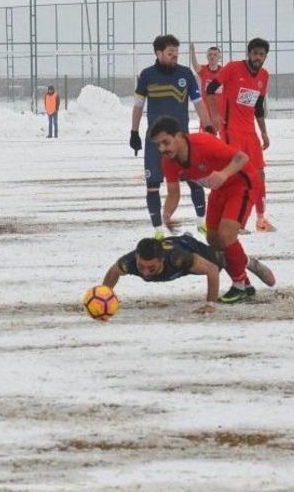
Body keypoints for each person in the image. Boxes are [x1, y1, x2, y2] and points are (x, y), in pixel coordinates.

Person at [148, 115, 275, 303]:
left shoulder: (204, 143)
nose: (162, 149)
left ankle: (239, 286)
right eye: (158, 145)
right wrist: (166, 214)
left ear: (180, 136)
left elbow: (242, 157)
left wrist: (223, 174)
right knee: (213, 240)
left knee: (226, 236)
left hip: (242, 183)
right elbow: (173, 192)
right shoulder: (168, 162)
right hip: (220, 189)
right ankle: (246, 270)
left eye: (165, 142)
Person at [129, 34, 215, 239]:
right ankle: (158, 231)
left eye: (176, 53)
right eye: (170, 54)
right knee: (152, 186)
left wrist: (209, 126)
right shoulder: (147, 76)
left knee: (194, 180)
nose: (175, 57)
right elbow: (138, 106)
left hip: (182, 142)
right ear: (159, 54)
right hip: (154, 143)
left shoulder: (185, 74)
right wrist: (134, 132)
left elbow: (199, 103)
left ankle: (201, 222)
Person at [100, 233, 274, 314]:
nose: (145, 272)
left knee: (221, 260)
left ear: (161, 261)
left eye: (151, 268)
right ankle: (246, 282)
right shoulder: (129, 262)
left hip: (187, 247)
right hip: (168, 244)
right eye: (141, 266)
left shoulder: (178, 258)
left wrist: (210, 304)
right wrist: (103, 295)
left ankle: (248, 262)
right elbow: (114, 271)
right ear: (137, 257)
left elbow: (212, 271)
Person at [206, 38, 274, 232]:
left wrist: (264, 133)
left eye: (261, 55)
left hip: (250, 133)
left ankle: (261, 220)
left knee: (259, 175)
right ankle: (219, 221)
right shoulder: (233, 68)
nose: (258, 57)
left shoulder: (264, 76)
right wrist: (216, 116)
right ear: (249, 54)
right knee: (232, 176)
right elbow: (210, 90)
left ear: (265, 57)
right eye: (255, 53)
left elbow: (258, 108)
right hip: (231, 131)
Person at [189, 43, 223, 132]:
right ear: (207, 57)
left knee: (220, 138)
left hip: (220, 111)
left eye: (215, 55)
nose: (212, 57)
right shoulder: (204, 70)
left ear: (219, 57)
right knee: (206, 136)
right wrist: (192, 53)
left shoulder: (224, 71)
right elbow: (195, 66)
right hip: (206, 111)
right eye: (210, 54)